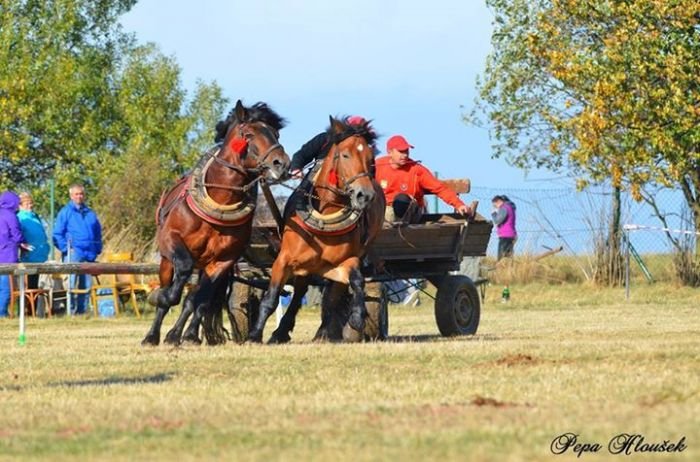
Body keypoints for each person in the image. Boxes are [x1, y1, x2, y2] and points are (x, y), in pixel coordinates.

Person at [374, 134, 471, 224]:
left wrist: (459, 205)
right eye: (401, 151)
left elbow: (439, 188)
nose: (405, 155)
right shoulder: (377, 166)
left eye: (406, 151)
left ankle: (396, 227)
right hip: (383, 210)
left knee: (401, 200)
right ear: (389, 152)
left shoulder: (417, 170)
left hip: (409, 213)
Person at [52, 184, 103, 314]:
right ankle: (70, 310)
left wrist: (97, 248)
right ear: (71, 196)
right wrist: (67, 249)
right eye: (76, 194)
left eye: (81, 194)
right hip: (74, 253)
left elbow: (97, 232)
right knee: (71, 284)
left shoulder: (90, 213)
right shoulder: (65, 212)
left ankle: (82, 311)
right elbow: (57, 234)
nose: (79, 196)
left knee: (86, 285)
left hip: (89, 254)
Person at [289, 115, 371, 178]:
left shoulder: (365, 149)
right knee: (299, 197)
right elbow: (301, 155)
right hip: (315, 177)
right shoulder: (325, 139)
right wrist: (296, 168)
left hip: (353, 182)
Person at [0, 191, 24, 317]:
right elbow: (16, 234)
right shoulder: (10, 215)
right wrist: (22, 242)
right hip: (6, 256)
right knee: (6, 288)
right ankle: (2, 314)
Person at [491, 195, 517, 260]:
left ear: (499, 201)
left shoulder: (504, 208)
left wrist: (494, 214)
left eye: (495, 205)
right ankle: (508, 269)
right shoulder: (510, 207)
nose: (496, 207)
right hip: (511, 234)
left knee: (501, 257)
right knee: (508, 256)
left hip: (505, 235)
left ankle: (501, 268)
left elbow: (497, 221)